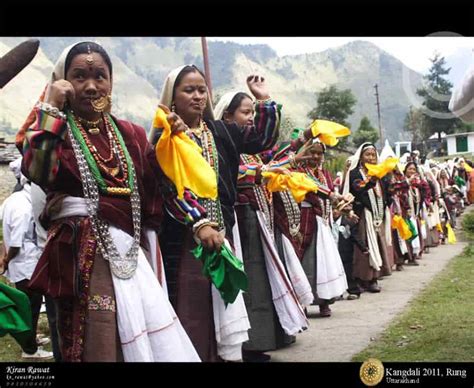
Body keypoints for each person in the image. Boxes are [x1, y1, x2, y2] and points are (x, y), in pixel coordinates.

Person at [19, 41, 200, 362]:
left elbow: (158, 187)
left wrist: (171, 145)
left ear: (112, 82)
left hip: (130, 256)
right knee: (94, 337)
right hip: (76, 254)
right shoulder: (54, 128)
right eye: (79, 76)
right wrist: (50, 109)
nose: (91, 86)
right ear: (61, 81)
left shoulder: (131, 134)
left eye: (100, 76)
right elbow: (38, 169)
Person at [149, 65, 281, 361]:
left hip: (223, 229)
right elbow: (173, 188)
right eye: (188, 90)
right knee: (192, 306)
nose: (197, 96)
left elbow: (262, 139)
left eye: (201, 90)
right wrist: (200, 223)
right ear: (173, 96)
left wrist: (263, 99)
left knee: (224, 302)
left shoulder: (222, 132)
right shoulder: (166, 138)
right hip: (185, 238)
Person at [214, 90, 309, 362]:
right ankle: (246, 345)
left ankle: (265, 338)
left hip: (254, 222)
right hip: (238, 221)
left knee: (258, 282)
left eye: (253, 113)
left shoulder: (247, 150)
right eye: (246, 113)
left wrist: (264, 99)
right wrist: (264, 172)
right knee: (246, 283)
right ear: (227, 115)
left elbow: (266, 145)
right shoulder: (222, 143)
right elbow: (237, 174)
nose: (250, 119)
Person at [0, 167, 53, 360]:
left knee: (30, 305)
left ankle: (32, 339)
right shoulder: (24, 207)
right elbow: (15, 241)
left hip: (21, 265)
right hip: (26, 264)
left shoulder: (13, 200)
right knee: (29, 306)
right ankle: (30, 350)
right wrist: (6, 259)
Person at [342, 143, 391, 293]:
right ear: (361, 157)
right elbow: (358, 189)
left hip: (377, 215)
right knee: (363, 246)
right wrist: (372, 181)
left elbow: (385, 193)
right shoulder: (356, 173)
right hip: (362, 214)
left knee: (376, 242)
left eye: (373, 155)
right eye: (367, 154)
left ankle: (374, 277)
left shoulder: (380, 174)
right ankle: (363, 278)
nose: (370, 157)